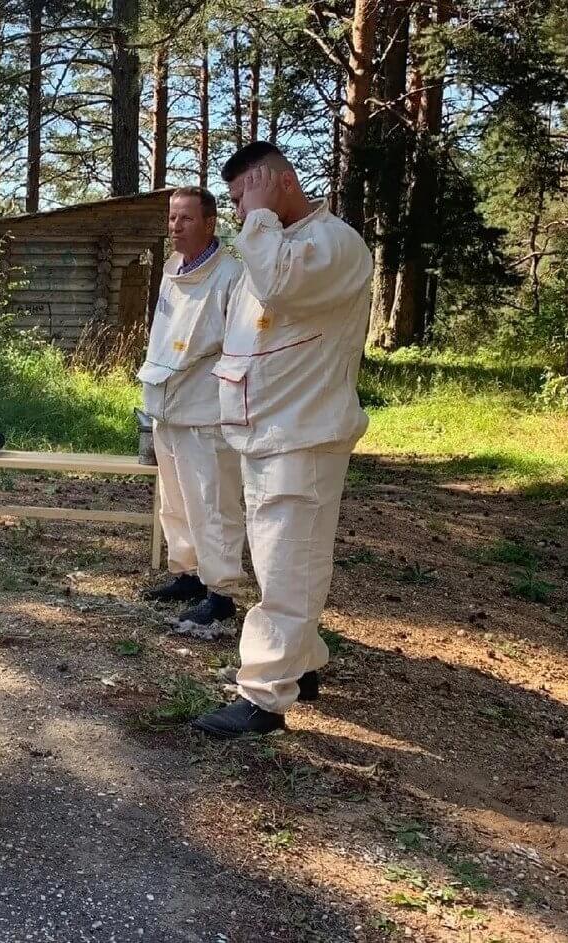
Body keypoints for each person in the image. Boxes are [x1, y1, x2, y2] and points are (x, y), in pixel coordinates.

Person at [191, 141, 373, 739]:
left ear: (273, 181)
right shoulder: (275, 246)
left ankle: (264, 698)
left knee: (288, 564)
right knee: (278, 562)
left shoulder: (332, 244)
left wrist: (263, 217)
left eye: (245, 194)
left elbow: (280, 289)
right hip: (268, 433)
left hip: (301, 434)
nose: (241, 210)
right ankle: (299, 664)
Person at [138, 187, 246, 636]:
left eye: (185, 219)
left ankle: (220, 594)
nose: (175, 227)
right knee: (176, 501)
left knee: (212, 504)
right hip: (166, 403)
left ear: (209, 223)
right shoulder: (171, 272)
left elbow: (239, 346)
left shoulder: (232, 276)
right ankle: (187, 575)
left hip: (205, 409)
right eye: (171, 219)